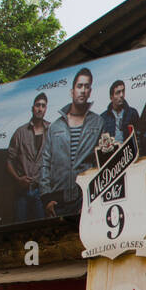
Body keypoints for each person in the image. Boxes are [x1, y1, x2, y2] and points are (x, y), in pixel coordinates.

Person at [40, 67, 103, 216]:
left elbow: (101, 162)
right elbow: (45, 163)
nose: (83, 90)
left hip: (86, 197)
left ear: (90, 92)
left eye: (86, 87)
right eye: (79, 86)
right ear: (72, 91)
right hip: (57, 200)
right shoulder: (55, 126)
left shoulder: (98, 122)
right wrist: (46, 198)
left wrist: (94, 197)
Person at [6, 93, 49, 222]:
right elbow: (9, 160)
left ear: (46, 109)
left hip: (42, 191)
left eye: (43, 106)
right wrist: (18, 179)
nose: (40, 109)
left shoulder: (52, 130)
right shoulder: (20, 132)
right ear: (32, 108)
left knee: (43, 227)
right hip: (22, 191)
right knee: (20, 227)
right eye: (37, 105)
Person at [99, 79, 140, 155]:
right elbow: (101, 144)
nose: (121, 95)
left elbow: (139, 136)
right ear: (111, 97)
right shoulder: (103, 118)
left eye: (123, 91)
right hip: (112, 156)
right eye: (118, 93)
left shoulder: (132, 113)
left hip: (130, 153)